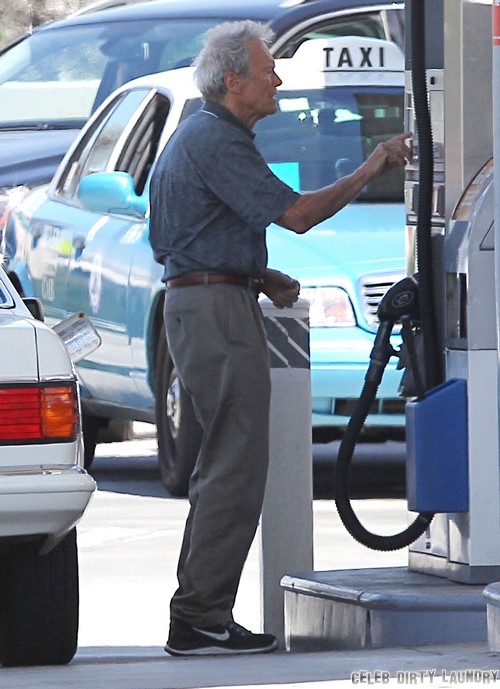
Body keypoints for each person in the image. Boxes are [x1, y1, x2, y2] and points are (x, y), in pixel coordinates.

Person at [149, 20, 411, 657]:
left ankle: (199, 613)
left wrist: (259, 275)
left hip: (210, 301)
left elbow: (190, 231)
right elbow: (296, 214)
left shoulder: (203, 135)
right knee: (235, 466)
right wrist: (374, 162)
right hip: (214, 312)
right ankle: (200, 617)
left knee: (224, 463)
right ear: (233, 79)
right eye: (269, 69)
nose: (279, 78)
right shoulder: (215, 138)